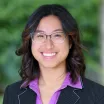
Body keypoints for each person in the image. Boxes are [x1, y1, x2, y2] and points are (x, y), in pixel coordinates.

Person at [3, 4, 104, 104]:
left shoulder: (98, 95)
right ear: (30, 42)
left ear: (70, 42)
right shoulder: (12, 93)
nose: (48, 45)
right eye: (40, 36)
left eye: (57, 35)